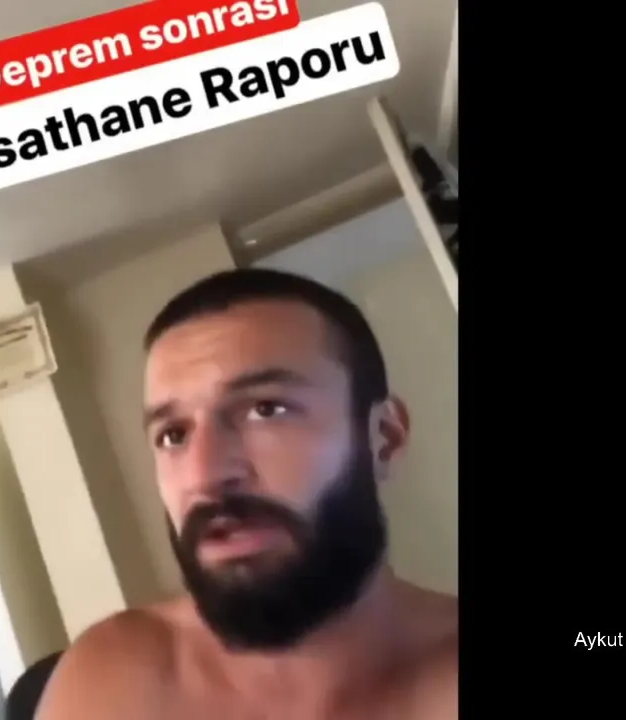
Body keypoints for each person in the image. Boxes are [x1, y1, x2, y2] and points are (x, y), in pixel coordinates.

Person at [36, 268, 457, 720]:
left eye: (266, 409)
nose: (204, 476)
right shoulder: (112, 679)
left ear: (384, 438)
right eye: (173, 434)